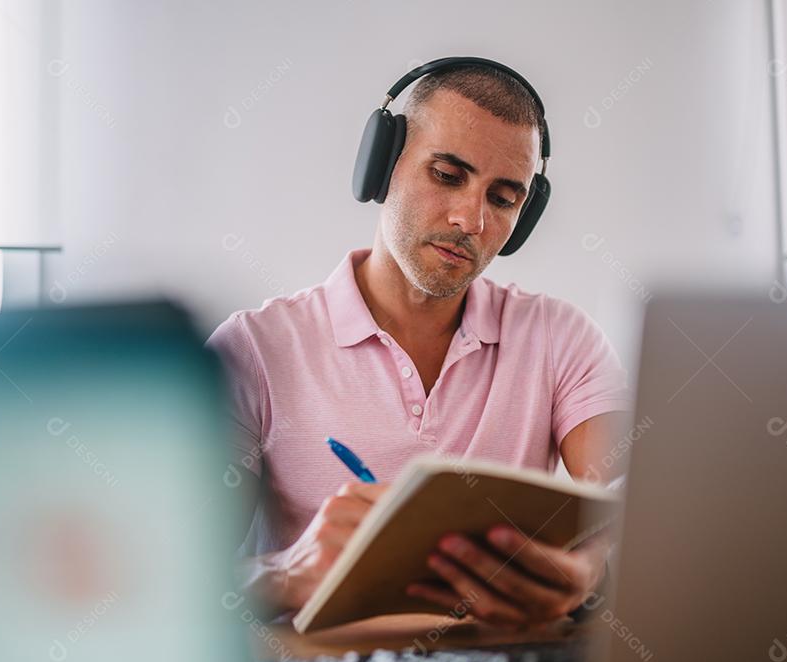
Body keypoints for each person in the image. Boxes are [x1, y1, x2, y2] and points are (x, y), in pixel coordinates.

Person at [206, 62, 633, 628]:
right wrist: (290, 573)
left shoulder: (562, 338)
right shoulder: (253, 349)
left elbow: (634, 505)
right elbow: (170, 580)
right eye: (448, 175)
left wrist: (591, 573)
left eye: (503, 199)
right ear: (381, 168)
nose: (471, 220)